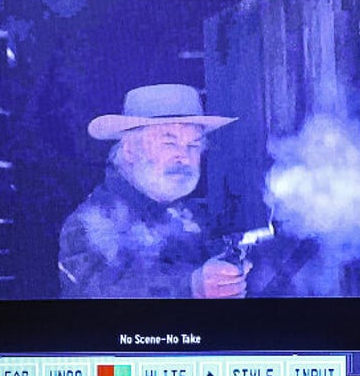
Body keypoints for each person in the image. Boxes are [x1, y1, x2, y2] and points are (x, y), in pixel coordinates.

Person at [58, 83, 250, 298]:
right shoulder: (91, 221)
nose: (184, 157)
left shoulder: (193, 215)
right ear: (130, 150)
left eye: (193, 145)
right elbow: (102, 290)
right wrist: (191, 285)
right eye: (169, 143)